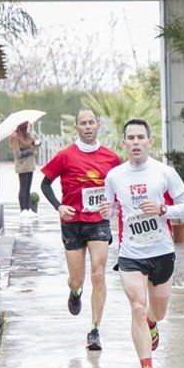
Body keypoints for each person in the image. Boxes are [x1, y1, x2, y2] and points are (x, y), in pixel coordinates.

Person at [99, 119, 184, 368]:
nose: (136, 142)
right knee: (137, 308)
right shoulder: (115, 176)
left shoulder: (165, 173)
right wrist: (105, 211)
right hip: (130, 254)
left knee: (157, 312)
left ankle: (153, 323)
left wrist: (163, 209)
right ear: (124, 143)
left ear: (150, 142)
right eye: (131, 138)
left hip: (162, 251)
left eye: (141, 137)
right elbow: (108, 211)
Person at [40, 109, 121, 350]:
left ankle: (95, 329)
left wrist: (112, 205)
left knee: (98, 273)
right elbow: (45, 184)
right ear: (76, 128)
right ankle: (75, 292)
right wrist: (59, 206)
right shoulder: (65, 156)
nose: (87, 126)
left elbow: (118, 189)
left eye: (91, 122)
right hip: (72, 222)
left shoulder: (111, 158)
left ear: (98, 126)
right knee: (77, 279)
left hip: (98, 221)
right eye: (83, 123)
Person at [10, 121, 39, 218]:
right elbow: (18, 154)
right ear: (23, 127)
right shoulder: (16, 137)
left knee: (28, 189)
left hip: (30, 166)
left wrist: (35, 144)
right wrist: (30, 151)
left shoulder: (28, 136)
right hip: (22, 166)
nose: (29, 128)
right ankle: (23, 210)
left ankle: (28, 208)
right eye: (28, 126)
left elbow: (32, 145)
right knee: (23, 188)